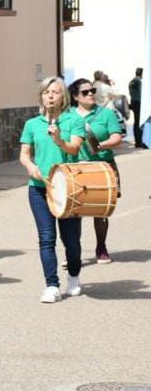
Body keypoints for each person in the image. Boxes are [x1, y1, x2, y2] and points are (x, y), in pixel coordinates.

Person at [19, 76, 85, 303]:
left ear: (63, 97)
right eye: (46, 92)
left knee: (71, 241)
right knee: (47, 238)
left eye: (55, 92)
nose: (50, 96)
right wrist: (30, 167)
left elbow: (75, 148)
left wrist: (58, 140)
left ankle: (74, 274)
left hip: (68, 187)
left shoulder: (73, 120)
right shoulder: (32, 124)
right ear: (41, 96)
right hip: (39, 188)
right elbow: (24, 154)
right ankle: (51, 285)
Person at [68, 78, 123, 264]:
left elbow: (117, 137)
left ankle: (101, 246)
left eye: (92, 90)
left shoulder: (106, 113)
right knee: (75, 210)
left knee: (101, 209)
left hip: (102, 165)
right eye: (85, 92)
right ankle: (74, 252)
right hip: (77, 168)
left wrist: (101, 146)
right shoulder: (68, 115)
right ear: (76, 97)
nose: (91, 94)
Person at [129, 67, 145, 148]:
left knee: (136, 123)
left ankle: (138, 142)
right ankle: (141, 141)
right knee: (141, 122)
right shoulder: (139, 82)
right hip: (139, 103)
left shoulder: (131, 81)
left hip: (134, 103)